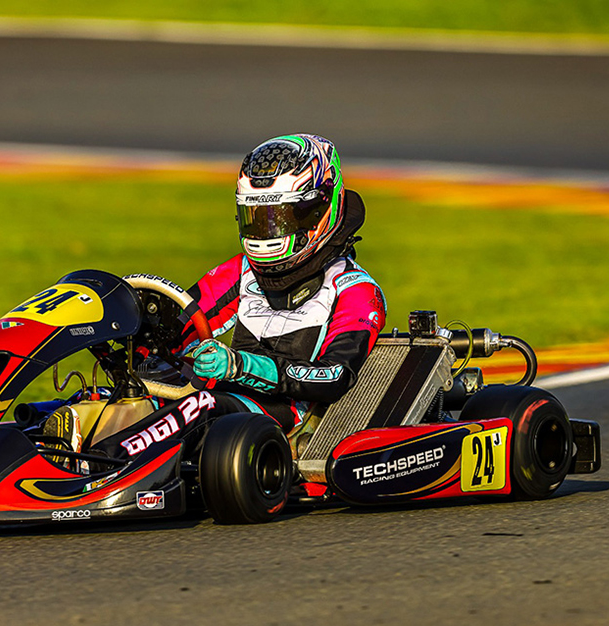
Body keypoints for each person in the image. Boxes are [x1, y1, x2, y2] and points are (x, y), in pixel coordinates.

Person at [86, 134, 387, 462]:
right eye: (255, 218)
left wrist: (240, 365)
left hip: (288, 415)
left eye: (278, 218)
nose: (265, 232)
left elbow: (334, 376)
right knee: (109, 398)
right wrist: (133, 347)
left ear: (317, 209)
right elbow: (180, 324)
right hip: (226, 398)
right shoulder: (241, 271)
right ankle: (47, 446)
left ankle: (106, 462)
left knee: (201, 406)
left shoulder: (355, 290)